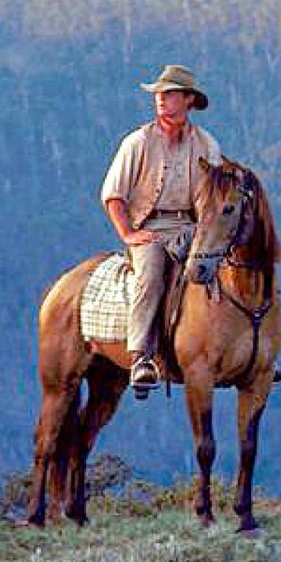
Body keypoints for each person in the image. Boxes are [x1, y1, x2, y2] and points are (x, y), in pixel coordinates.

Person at [100, 65, 223, 395]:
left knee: (226, 267)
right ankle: (142, 356)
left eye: (168, 94)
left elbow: (216, 193)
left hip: (192, 225)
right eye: (159, 94)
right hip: (150, 227)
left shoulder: (206, 144)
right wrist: (128, 234)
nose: (160, 100)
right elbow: (113, 195)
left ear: (188, 100)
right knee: (151, 273)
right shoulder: (137, 142)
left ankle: (246, 351)